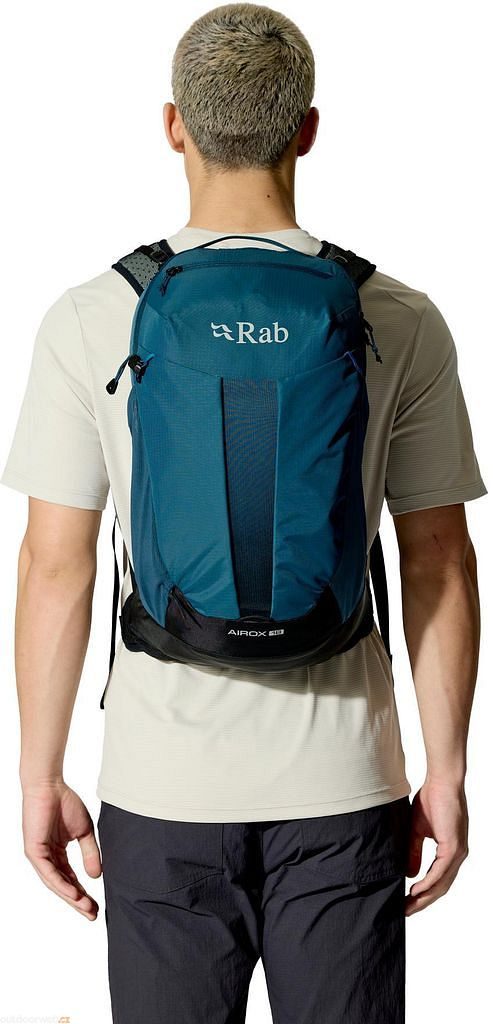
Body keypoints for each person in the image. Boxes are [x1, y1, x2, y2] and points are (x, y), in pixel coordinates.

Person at [1, 4, 487, 1023]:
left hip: (160, 791)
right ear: (306, 129)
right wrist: (445, 771)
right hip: (343, 784)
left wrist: (38, 775)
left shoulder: (92, 314)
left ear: (172, 125)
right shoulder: (395, 314)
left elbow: (56, 564)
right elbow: (438, 557)